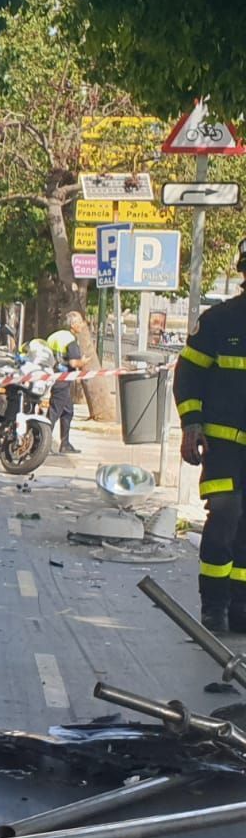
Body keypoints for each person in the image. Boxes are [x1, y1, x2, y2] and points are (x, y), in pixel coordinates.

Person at [175, 238, 246, 633]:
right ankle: (213, 606)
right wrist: (191, 423)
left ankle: (240, 608)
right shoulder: (220, 321)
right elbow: (188, 375)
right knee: (225, 516)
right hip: (223, 446)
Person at [44, 315, 89, 454]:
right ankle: (42, 441)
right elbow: (73, 363)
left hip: (52, 375)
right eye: (80, 322)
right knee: (54, 412)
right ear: (73, 325)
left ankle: (65, 443)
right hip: (62, 380)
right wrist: (84, 362)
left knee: (68, 411)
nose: (82, 325)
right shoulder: (71, 340)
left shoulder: (55, 336)